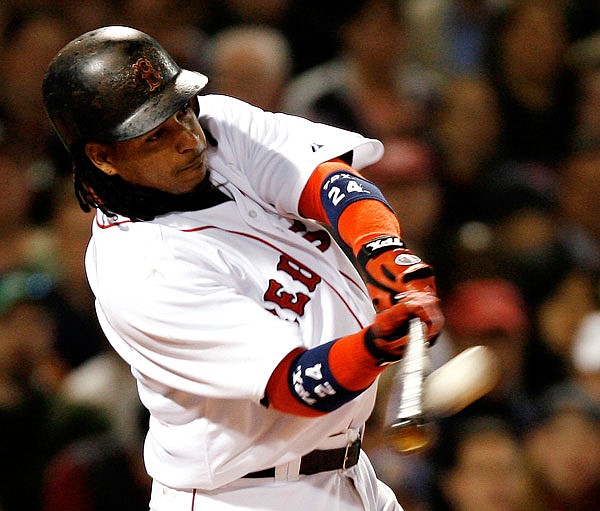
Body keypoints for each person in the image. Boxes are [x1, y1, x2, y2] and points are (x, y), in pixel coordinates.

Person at [41, 26, 443, 511]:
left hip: (349, 473)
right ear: (103, 157)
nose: (187, 139)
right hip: (247, 495)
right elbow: (295, 385)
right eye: (155, 135)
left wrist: (383, 252)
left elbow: (326, 178)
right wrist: (377, 346)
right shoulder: (140, 271)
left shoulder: (212, 126)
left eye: (180, 110)